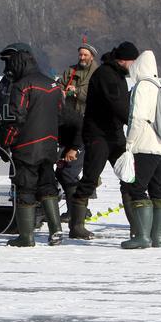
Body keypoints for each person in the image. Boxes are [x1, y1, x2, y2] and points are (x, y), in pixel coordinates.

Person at [67, 41, 140, 240]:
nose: (134, 66)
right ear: (124, 60)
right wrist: (135, 123)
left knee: (128, 177)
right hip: (98, 134)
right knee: (90, 177)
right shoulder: (107, 75)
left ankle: (137, 224)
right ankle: (77, 225)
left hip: (115, 134)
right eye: (133, 62)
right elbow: (117, 105)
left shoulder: (116, 75)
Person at [0, 43, 64, 247]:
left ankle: (26, 237)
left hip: (27, 147)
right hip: (50, 145)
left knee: (25, 188)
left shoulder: (23, 85)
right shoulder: (52, 84)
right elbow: (60, 114)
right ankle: (56, 230)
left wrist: (5, 143)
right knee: (47, 185)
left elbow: (16, 118)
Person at [122, 50, 161, 249]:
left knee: (137, 188)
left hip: (144, 145)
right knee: (158, 189)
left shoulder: (142, 86)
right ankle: (157, 237)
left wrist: (129, 142)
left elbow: (137, 118)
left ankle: (142, 236)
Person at [57, 40, 99, 221]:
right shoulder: (70, 71)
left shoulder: (97, 74)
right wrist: (61, 90)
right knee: (65, 168)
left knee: (75, 169)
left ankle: (81, 209)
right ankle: (73, 208)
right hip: (69, 123)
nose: (82, 57)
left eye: (85, 55)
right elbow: (59, 85)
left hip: (89, 125)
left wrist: (77, 92)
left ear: (92, 57)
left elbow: (96, 95)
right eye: (80, 54)